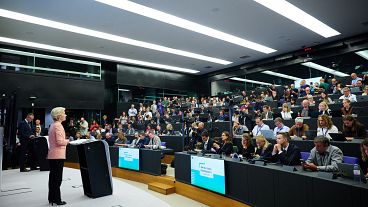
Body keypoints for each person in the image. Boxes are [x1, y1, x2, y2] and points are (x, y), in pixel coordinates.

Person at [47, 107, 69, 205]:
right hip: (58, 155)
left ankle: (51, 198)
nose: (65, 115)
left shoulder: (52, 125)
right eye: (64, 113)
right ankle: (57, 200)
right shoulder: (58, 126)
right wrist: (69, 141)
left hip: (52, 154)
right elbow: (60, 142)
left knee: (52, 178)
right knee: (57, 179)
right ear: (59, 116)